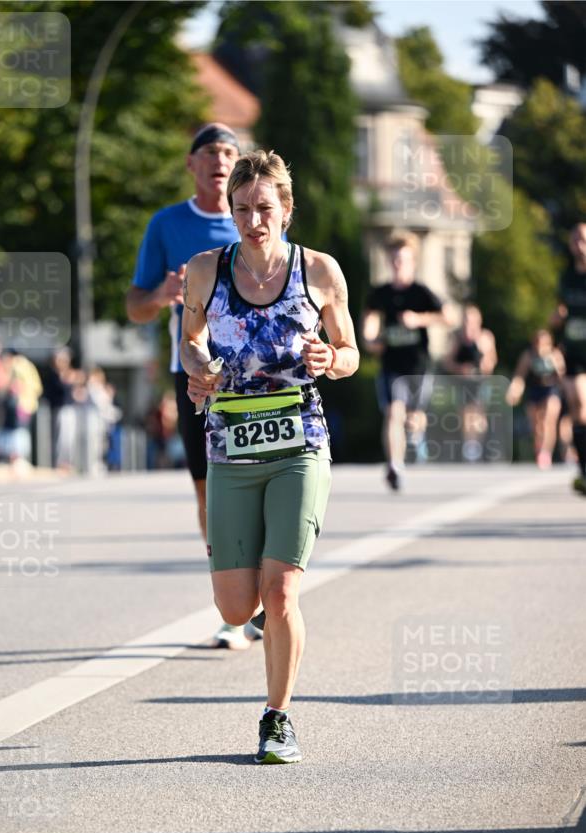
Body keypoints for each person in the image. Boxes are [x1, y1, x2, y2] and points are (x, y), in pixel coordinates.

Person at [180, 149, 359, 764]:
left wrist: (329, 361)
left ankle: (276, 719)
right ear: (229, 211)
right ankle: (259, 618)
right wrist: (198, 370)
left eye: (263, 208)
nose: (253, 221)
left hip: (299, 443)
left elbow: (351, 351)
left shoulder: (320, 272)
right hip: (229, 446)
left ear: (285, 209)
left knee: (281, 591)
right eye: (241, 210)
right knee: (237, 606)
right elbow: (190, 342)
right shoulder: (205, 271)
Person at [126, 122, 262, 650]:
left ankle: (262, 595)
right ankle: (234, 608)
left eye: (230, 151)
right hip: (197, 378)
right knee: (211, 492)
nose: (221, 160)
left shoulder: (255, 220)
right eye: (210, 152)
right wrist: (162, 294)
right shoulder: (166, 225)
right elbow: (134, 307)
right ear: (192, 164)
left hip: (258, 375)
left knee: (260, 482)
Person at [362, 232, 451, 490]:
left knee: (414, 417)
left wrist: (419, 319)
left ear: (413, 262)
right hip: (391, 363)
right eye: (395, 259)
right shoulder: (381, 293)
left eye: (404, 259)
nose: (398, 264)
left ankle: (416, 434)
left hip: (418, 364)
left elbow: (447, 317)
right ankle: (394, 465)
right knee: (393, 413)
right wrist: (370, 340)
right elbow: (368, 321)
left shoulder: (421, 292)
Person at [552, 222, 586, 494]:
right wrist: (558, 318)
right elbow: (561, 309)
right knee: (576, 405)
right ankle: (583, 467)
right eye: (576, 240)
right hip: (574, 350)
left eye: (584, 240)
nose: (580, 245)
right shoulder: (566, 278)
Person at [442, 304, 497, 462]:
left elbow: (492, 360)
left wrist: (484, 362)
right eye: (467, 319)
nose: (470, 323)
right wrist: (461, 368)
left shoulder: (485, 337)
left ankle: (476, 444)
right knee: (466, 414)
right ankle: (470, 447)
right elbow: (447, 362)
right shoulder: (456, 338)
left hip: (481, 382)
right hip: (463, 382)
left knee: (479, 415)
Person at [506, 329, 565, 468]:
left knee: (548, 420)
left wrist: (556, 365)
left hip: (550, 389)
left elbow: (563, 376)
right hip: (534, 390)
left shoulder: (555, 355)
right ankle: (539, 448)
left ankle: (546, 452)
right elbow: (519, 376)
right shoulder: (528, 356)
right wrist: (514, 391)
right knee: (537, 425)